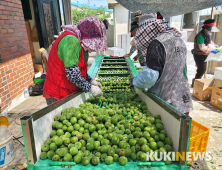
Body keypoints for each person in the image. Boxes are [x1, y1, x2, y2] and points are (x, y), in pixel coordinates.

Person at [133, 13, 193, 115]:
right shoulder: (178, 40)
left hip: (167, 100)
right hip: (183, 96)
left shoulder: (157, 44)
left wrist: (134, 81)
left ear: (147, 31)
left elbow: (149, 78)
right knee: (181, 127)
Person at [43, 16, 107, 105]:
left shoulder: (79, 42)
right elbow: (72, 74)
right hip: (58, 93)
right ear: (87, 35)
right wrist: (90, 88)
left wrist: (90, 80)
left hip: (68, 91)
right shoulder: (71, 41)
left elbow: (78, 69)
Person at [191, 19, 219, 87]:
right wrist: (211, 51)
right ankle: (195, 84)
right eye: (210, 29)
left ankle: (196, 82)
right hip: (199, 55)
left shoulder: (207, 34)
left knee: (203, 70)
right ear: (205, 27)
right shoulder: (200, 36)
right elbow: (202, 47)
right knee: (201, 70)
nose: (210, 31)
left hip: (205, 55)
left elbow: (210, 42)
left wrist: (216, 47)